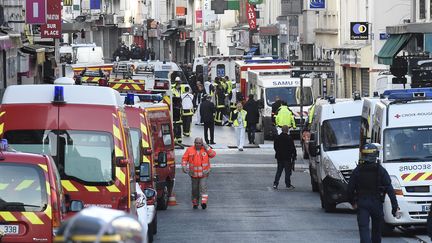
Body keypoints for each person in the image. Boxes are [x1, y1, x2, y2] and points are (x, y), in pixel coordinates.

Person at [348, 143, 399, 243]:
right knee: (376, 232)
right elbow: (389, 189)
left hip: (362, 203)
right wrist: (395, 207)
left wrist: (353, 202)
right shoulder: (381, 171)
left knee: (364, 230)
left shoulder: (357, 170)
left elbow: (349, 189)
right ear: (375, 156)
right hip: (376, 203)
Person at [182, 137, 216, 209]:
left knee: (203, 187)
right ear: (194, 143)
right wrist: (184, 166)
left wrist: (207, 147)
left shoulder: (205, 150)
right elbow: (184, 159)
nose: (198, 144)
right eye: (196, 143)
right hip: (193, 174)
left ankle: (204, 203)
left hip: (204, 174)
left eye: (199, 143)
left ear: (202, 143)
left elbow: (213, 155)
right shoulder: (189, 150)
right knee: (195, 189)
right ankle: (195, 202)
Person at [273, 125, 296, 189]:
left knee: (279, 171)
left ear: (282, 130)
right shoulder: (289, 138)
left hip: (279, 157)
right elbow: (292, 148)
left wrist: (278, 152)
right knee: (287, 172)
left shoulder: (277, 138)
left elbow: (275, 147)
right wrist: (294, 155)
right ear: (287, 130)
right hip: (287, 157)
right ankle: (288, 184)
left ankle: (275, 183)